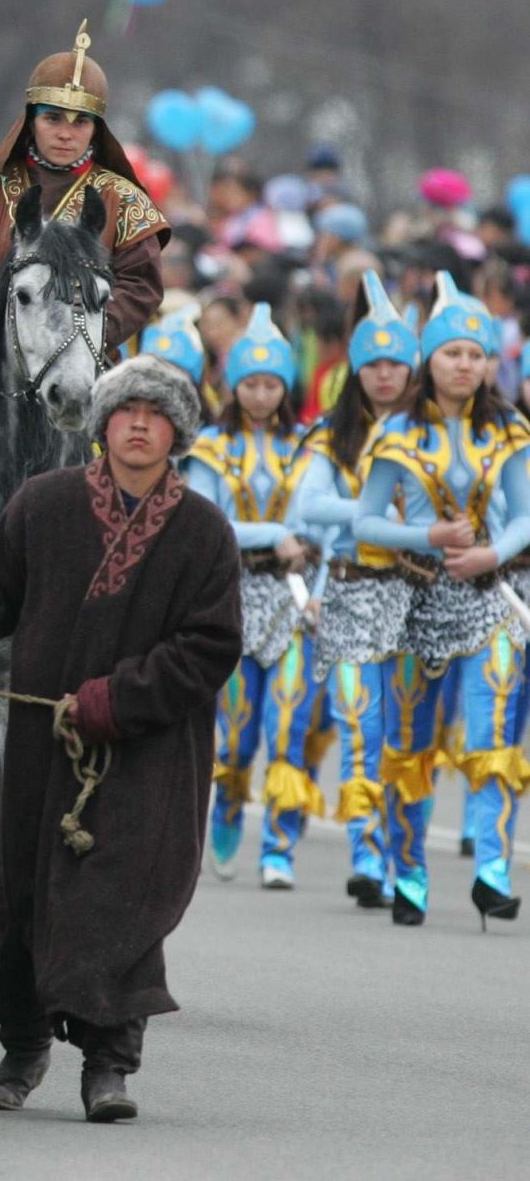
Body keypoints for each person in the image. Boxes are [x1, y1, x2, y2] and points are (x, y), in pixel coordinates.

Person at [0, 354, 240, 1124]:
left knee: (123, 898)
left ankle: (109, 1064)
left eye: (156, 411)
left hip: (149, 751)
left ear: (177, 430)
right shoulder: (44, 504)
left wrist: (119, 697)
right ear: (104, 422)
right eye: (126, 408)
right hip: (46, 746)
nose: (140, 422)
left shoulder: (206, 531)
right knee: (24, 891)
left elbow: (211, 647)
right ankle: (22, 1048)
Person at [354, 273, 530, 927]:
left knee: (491, 738)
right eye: (453, 352)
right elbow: (365, 523)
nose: (465, 363)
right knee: (410, 746)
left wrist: (493, 552)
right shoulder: (396, 430)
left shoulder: (507, 428)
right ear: (429, 357)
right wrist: (423, 533)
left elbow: (524, 513)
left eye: (477, 354)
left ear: (489, 363)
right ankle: (409, 873)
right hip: (415, 602)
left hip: (485, 599)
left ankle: (492, 869)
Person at [0, 24, 169, 417]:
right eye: (53, 118)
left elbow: (140, 288)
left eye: (80, 122)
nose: (66, 133)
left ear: (95, 129)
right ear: (30, 120)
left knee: (124, 464)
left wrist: (80, 335)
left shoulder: (123, 200)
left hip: (84, 369)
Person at [290, 272, 419, 908]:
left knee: (406, 735)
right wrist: (373, 516)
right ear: (358, 371)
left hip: (421, 600)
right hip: (347, 593)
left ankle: (404, 859)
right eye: (375, 364)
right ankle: (368, 855)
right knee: (358, 728)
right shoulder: (333, 437)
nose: (386, 375)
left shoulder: (436, 437)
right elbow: (308, 505)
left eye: (398, 364)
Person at [183, 305, 319, 888]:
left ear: (285, 387)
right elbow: (210, 521)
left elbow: (326, 525)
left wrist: (318, 579)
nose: (262, 394)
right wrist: (275, 534)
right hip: (233, 597)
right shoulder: (210, 446)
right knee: (236, 735)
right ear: (233, 385)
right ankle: (230, 809)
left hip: (294, 601)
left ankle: (280, 849)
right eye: (251, 383)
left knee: (289, 727)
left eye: (272, 384)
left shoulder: (309, 445)